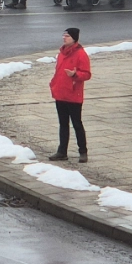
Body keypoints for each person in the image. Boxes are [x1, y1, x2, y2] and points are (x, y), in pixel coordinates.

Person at [48, 27, 92, 163]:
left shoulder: (81, 54)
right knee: (63, 124)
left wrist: (75, 75)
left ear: (74, 38)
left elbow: (87, 74)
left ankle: (83, 151)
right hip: (60, 93)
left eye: (67, 36)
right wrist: (53, 84)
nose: (64, 38)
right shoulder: (61, 53)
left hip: (73, 95)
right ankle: (62, 151)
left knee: (77, 124)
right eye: (63, 35)